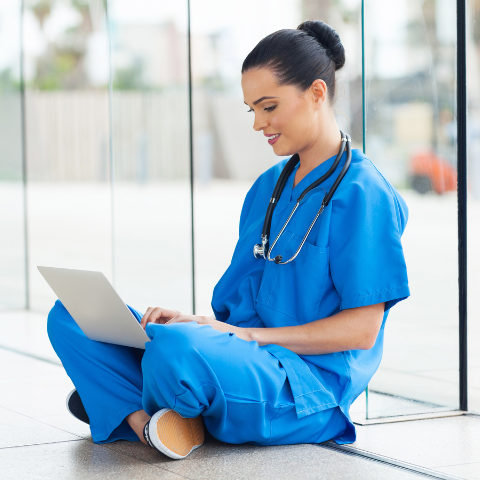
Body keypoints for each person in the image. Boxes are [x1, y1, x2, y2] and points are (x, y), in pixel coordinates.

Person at [48, 20, 409, 460]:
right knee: (71, 315)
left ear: (317, 94)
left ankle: (130, 401)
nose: (259, 123)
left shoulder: (363, 193)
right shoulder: (268, 188)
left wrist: (240, 336)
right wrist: (196, 321)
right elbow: (237, 312)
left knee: (174, 351)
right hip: (241, 355)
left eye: (269, 106)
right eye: (251, 109)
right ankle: (150, 424)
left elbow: (362, 329)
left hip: (305, 388)